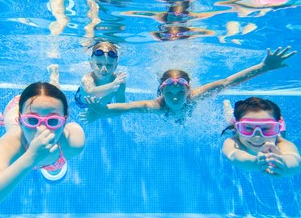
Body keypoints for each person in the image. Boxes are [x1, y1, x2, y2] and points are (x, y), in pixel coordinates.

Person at [80, 46, 296, 124]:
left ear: (188, 90)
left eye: (180, 92)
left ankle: (227, 110)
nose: (175, 98)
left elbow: (229, 81)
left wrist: (264, 67)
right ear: (161, 91)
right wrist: (102, 112)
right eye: (170, 92)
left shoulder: (196, 95)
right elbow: (125, 108)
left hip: (185, 117)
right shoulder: (156, 105)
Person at [0, 81, 85, 215]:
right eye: (32, 121)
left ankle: (54, 79)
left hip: (37, 106)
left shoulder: (73, 142)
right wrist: (31, 157)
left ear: (64, 122)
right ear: (20, 121)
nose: (41, 130)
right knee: (47, 103)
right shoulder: (12, 142)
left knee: (52, 95)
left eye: (53, 121)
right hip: (17, 107)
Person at [222, 97, 300, 178]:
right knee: (230, 120)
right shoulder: (233, 141)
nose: (257, 136)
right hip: (237, 124)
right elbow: (233, 155)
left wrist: (285, 165)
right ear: (238, 128)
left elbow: (294, 157)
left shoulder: (280, 142)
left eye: (266, 128)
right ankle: (226, 105)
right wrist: (254, 162)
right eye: (248, 128)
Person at [75, 41, 127, 108]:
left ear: (115, 66)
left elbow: (121, 106)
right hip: (84, 103)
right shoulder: (88, 78)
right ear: (91, 65)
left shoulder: (119, 82)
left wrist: (104, 112)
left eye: (109, 65)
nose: (104, 69)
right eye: (99, 64)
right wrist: (113, 85)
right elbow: (90, 93)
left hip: (103, 103)